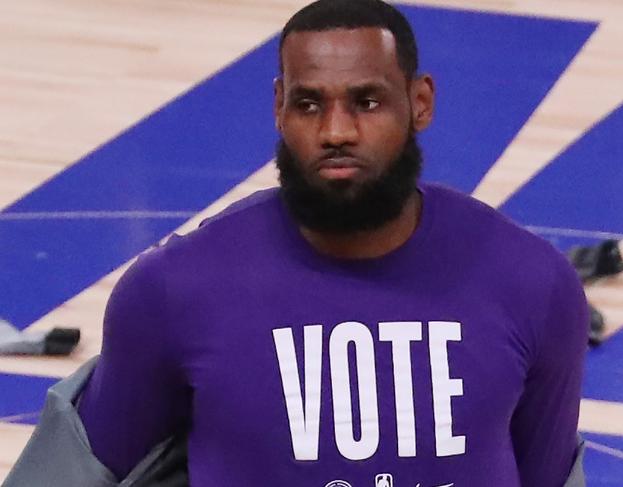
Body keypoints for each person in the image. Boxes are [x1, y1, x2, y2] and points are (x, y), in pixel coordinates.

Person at [5, 1, 588, 486]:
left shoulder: (532, 285)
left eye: (367, 101)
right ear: (279, 107)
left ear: (420, 103)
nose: (336, 131)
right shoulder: (173, 291)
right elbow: (65, 478)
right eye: (310, 104)